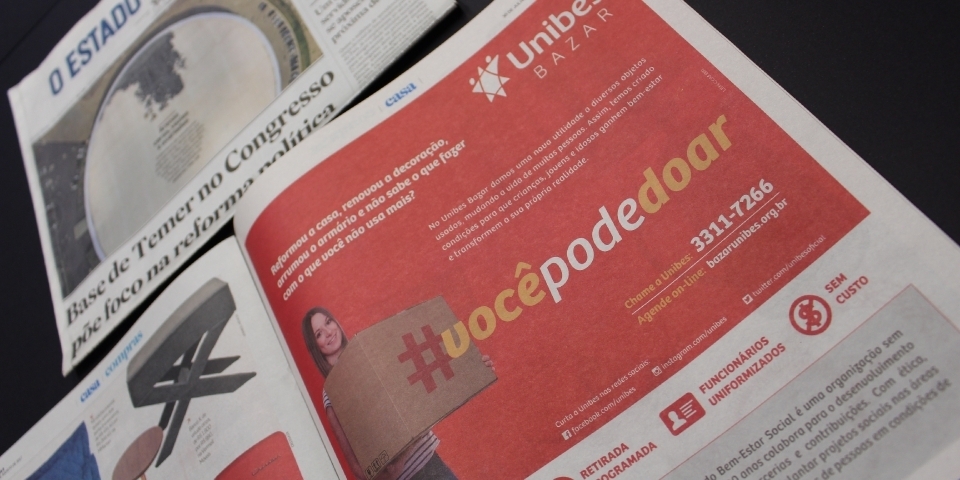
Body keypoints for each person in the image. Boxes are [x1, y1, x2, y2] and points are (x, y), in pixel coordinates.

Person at [302, 307, 492, 480]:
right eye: (319, 334)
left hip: (431, 463)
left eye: (328, 322)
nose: (328, 332)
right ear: (315, 346)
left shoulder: (371, 354)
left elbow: (423, 382)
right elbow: (358, 469)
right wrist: (391, 471)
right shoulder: (331, 394)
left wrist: (471, 366)